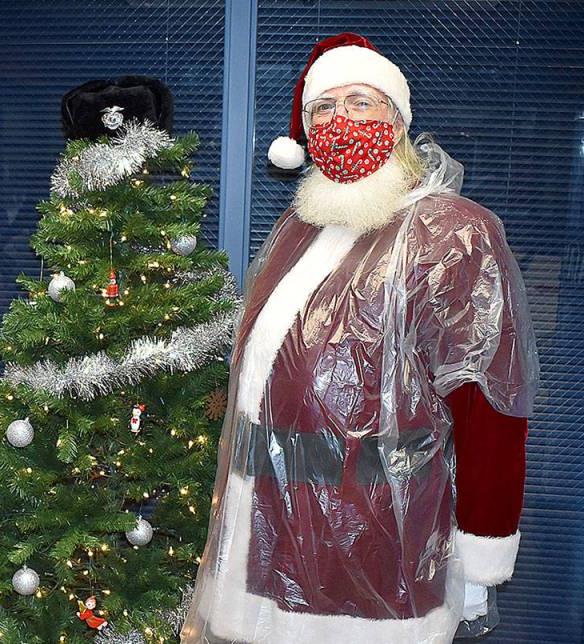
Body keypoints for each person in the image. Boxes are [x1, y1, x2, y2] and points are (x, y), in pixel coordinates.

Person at [181, 33, 539, 644]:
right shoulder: (301, 226)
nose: (339, 120)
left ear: (397, 122)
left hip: (374, 543)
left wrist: (480, 550)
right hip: (256, 537)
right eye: (323, 107)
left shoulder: (451, 234)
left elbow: (489, 406)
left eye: (360, 102)